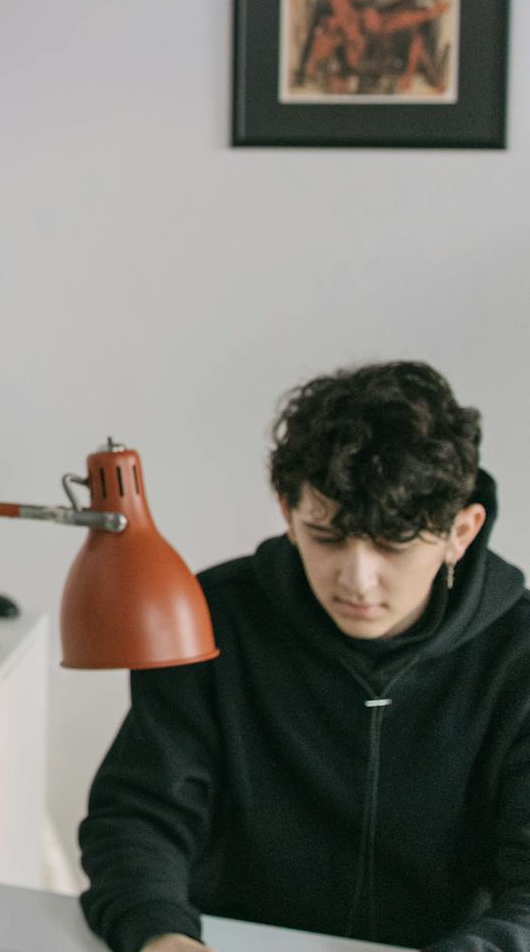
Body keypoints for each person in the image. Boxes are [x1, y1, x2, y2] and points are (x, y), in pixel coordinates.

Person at [79, 362, 530, 952]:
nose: (358, 581)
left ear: (461, 531)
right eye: (327, 536)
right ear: (289, 511)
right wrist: (161, 935)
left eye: (393, 545)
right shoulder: (210, 617)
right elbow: (139, 817)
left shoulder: (517, 655)